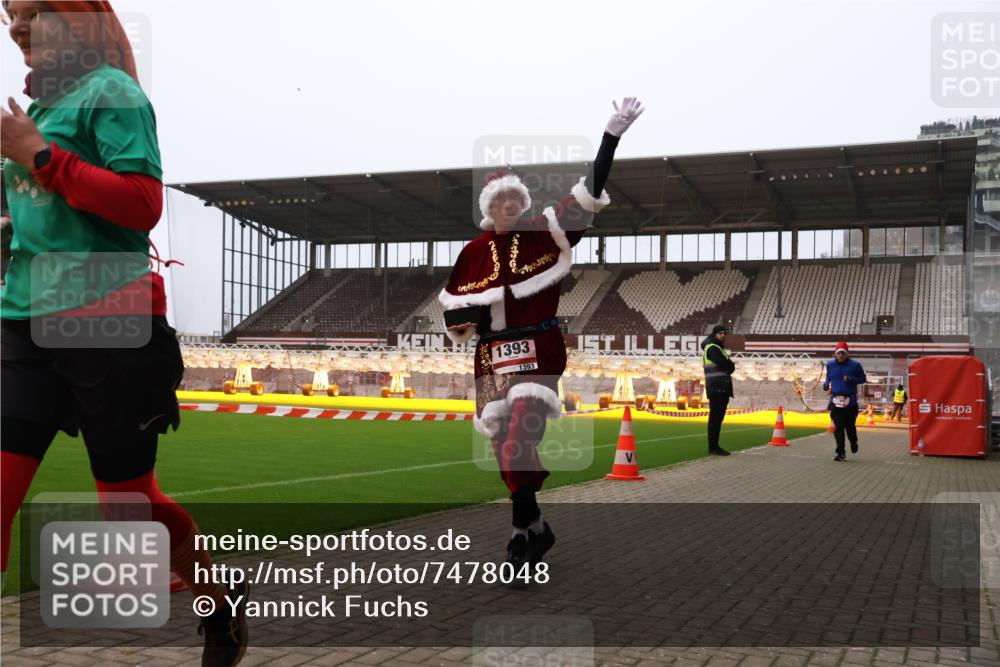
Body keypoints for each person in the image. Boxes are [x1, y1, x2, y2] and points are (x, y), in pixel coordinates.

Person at [0, 3, 247, 664]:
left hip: (106, 323)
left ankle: (217, 597)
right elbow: (28, 221)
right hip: (24, 324)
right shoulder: (38, 110)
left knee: (130, 509)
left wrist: (39, 156)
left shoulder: (114, 94)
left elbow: (142, 203)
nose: (15, 25)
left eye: (30, 11)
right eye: (7, 14)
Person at [440, 98, 644, 569]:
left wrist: (610, 138)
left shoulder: (543, 232)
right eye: (499, 201)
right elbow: (455, 307)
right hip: (491, 359)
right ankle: (535, 530)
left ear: (522, 202)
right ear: (488, 208)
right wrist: (461, 323)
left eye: (514, 198)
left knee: (517, 443)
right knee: (503, 450)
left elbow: (588, 193)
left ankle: (518, 534)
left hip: (538, 350)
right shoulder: (472, 251)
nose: (508, 205)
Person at [822, 341, 867, 461]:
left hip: (850, 401)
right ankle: (840, 452)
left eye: (843, 353)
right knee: (838, 427)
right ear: (835, 354)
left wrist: (851, 379)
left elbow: (863, 378)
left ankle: (853, 441)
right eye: (838, 353)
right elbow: (828, 378)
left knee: (850, 426)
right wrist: (826, 385)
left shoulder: (855, 365)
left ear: (847, 354)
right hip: (836, 400)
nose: (841, 355)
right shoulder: (830, 365)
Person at [701, 324, 736, 456]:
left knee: (717, 419)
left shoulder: (718, 348)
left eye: (724, 333)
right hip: (717, 387)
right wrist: (730, 365)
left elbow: (730, 366)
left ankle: (715, 446)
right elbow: (727, 365)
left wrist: (730, 365)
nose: (723, 336)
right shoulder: (713, 348)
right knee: (715, 419)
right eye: (720, 333)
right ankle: (714, 447)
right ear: (714, 334)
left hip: (720, 387)